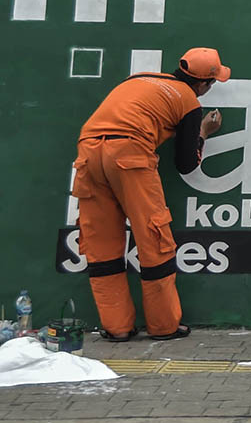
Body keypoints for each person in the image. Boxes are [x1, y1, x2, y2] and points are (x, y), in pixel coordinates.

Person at [71, 48, 229, 341]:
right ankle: (164, 326)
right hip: (129, 155)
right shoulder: (188, 101)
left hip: (88, 153)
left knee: (101, 243)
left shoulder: (138, 80)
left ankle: (117, 328)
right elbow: (185, 163)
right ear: (204, 83)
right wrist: (204, 132)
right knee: (154, 239)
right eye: (213, 82)